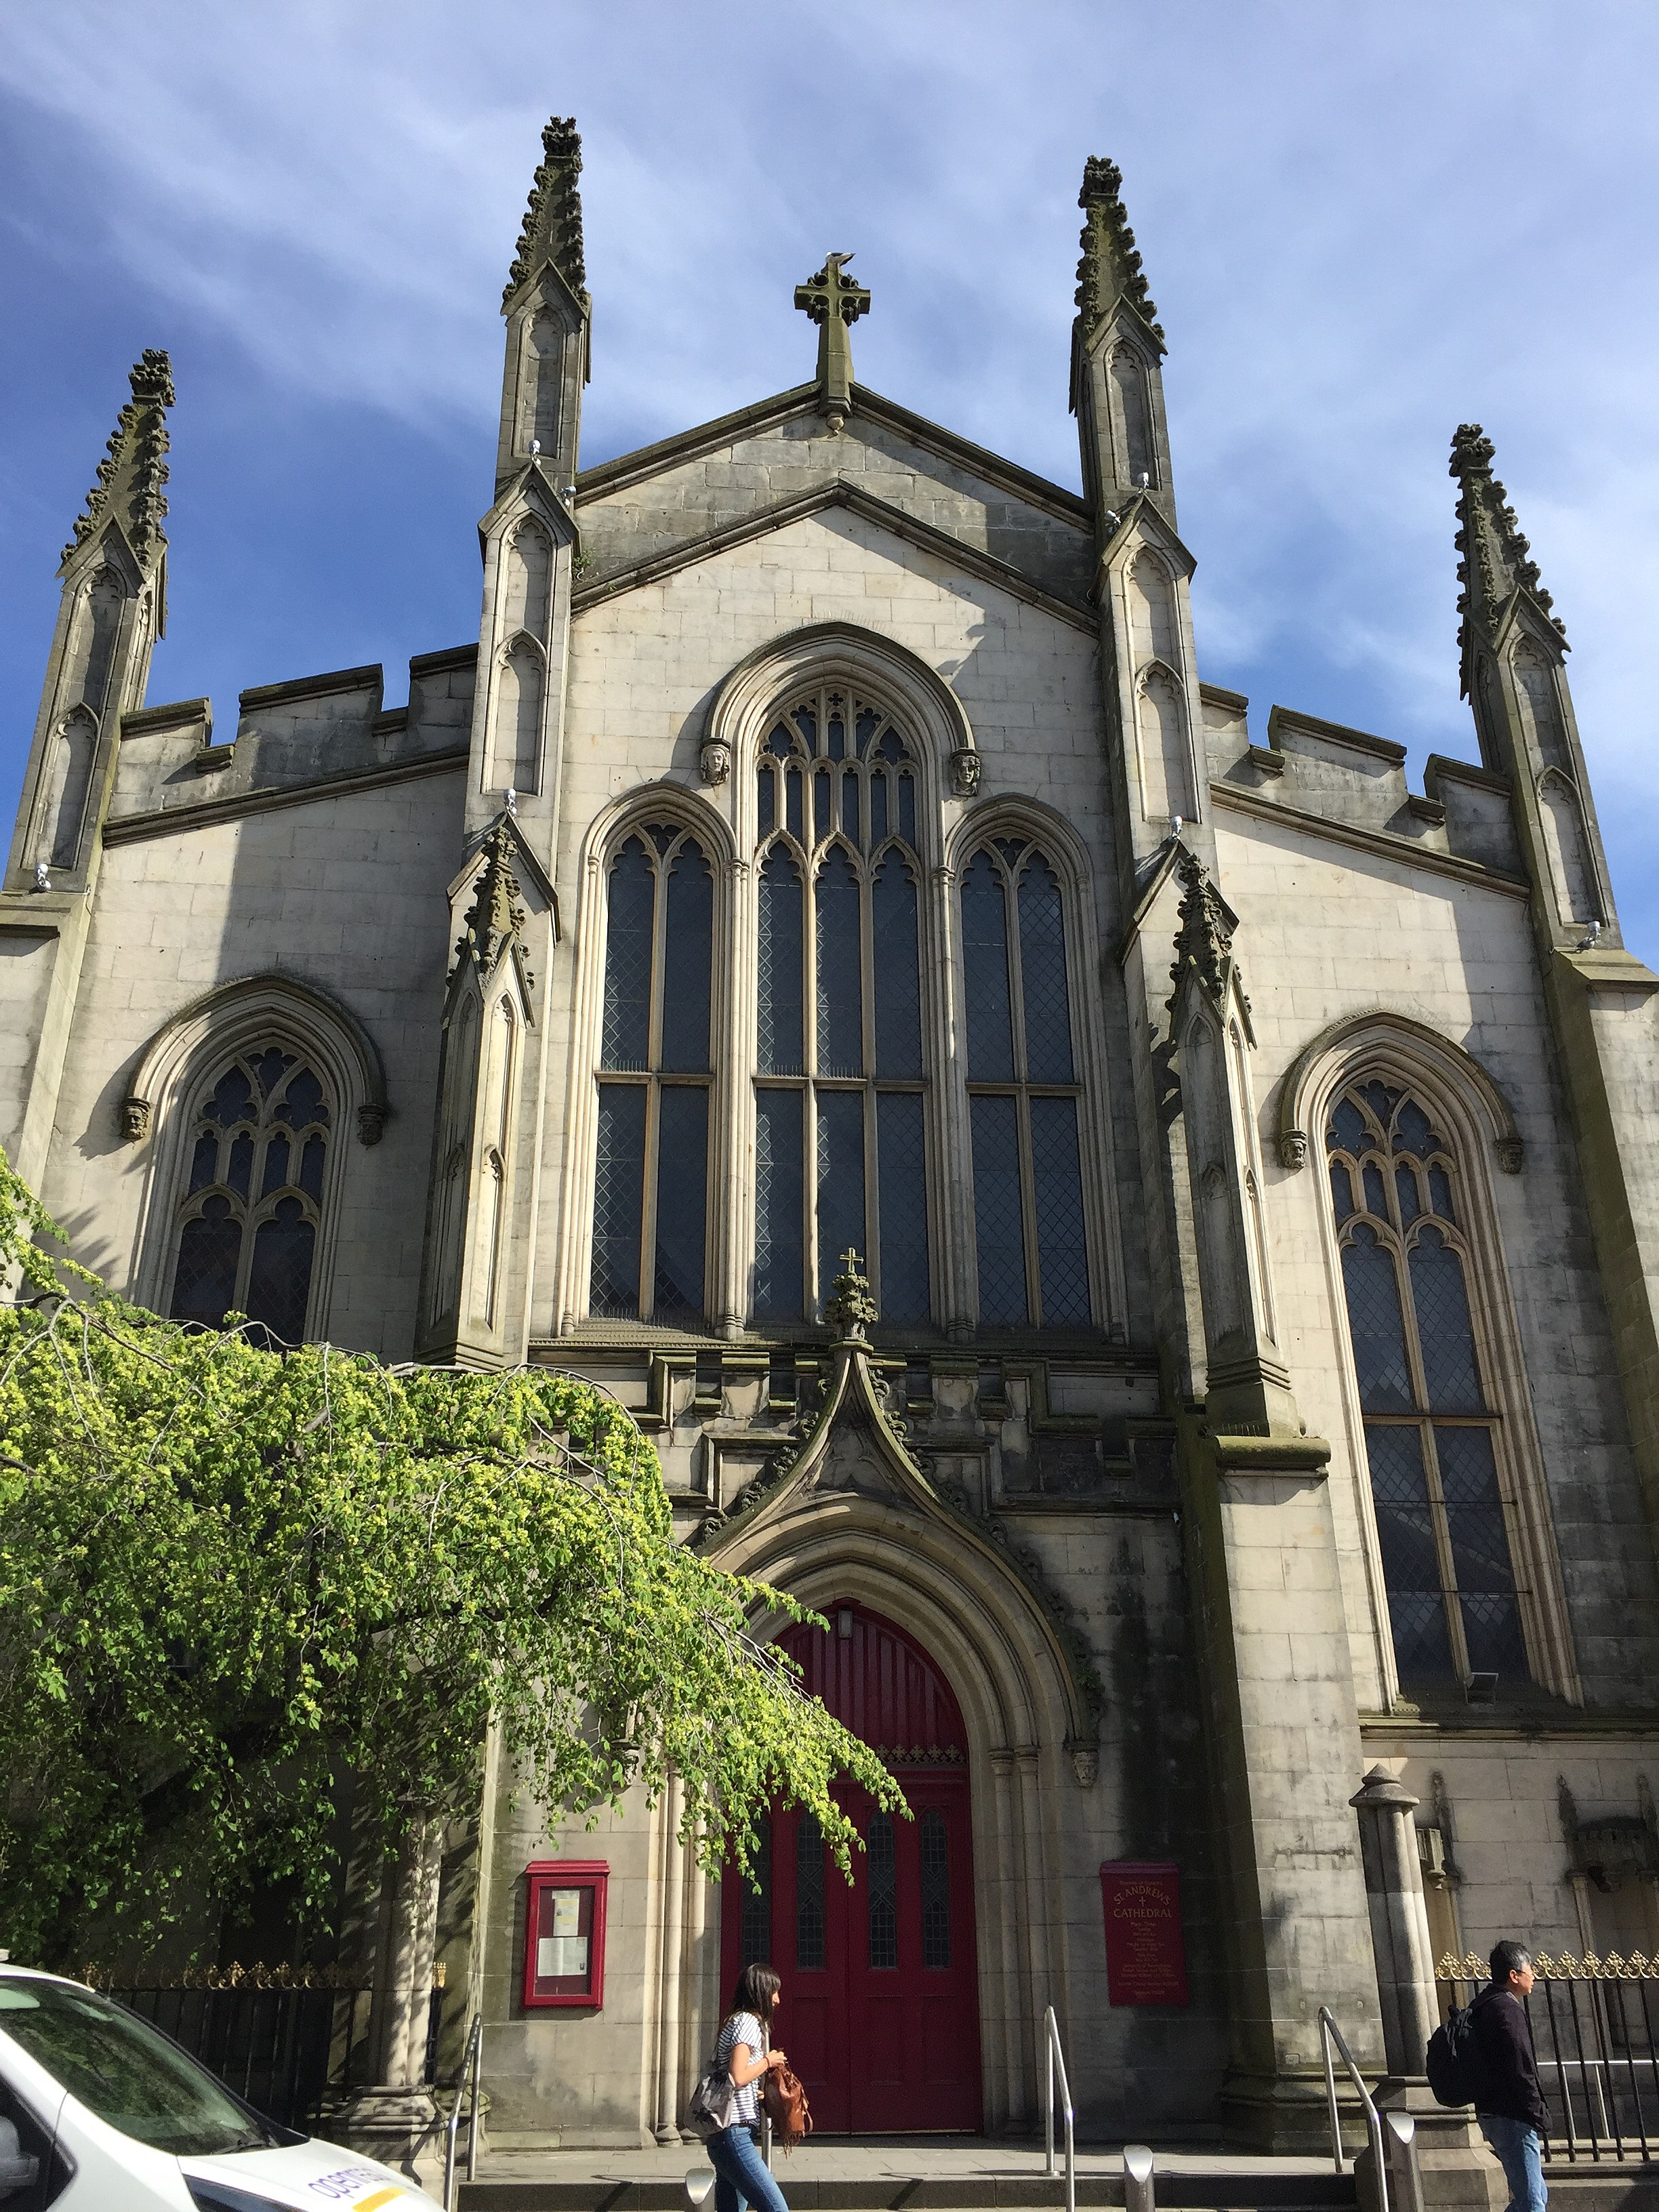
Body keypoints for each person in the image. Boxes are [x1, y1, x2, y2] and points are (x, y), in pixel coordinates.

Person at [1469, 1940, 1549, 2212]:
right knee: (1532, 2202)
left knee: (1535, 2196)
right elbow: (1521, 2064)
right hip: (1512, 2114)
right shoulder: (1506, 2009)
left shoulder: (1485, 2004)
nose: (1534, 1975)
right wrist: (1536, 2109)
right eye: (1530, 1970)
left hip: (1495, 2111)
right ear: (1514, 1976)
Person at [707, 1962, 790, 2212]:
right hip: (733, 2136)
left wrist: (756, 2093)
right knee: (776, 2208)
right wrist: (768, 2061)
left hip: (725, 2136)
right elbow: (737, 2075)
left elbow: (734, 2079)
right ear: (761, 1992)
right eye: (774, 1992)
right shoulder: (747, 2023)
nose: (777, 2000)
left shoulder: (734, 2020)